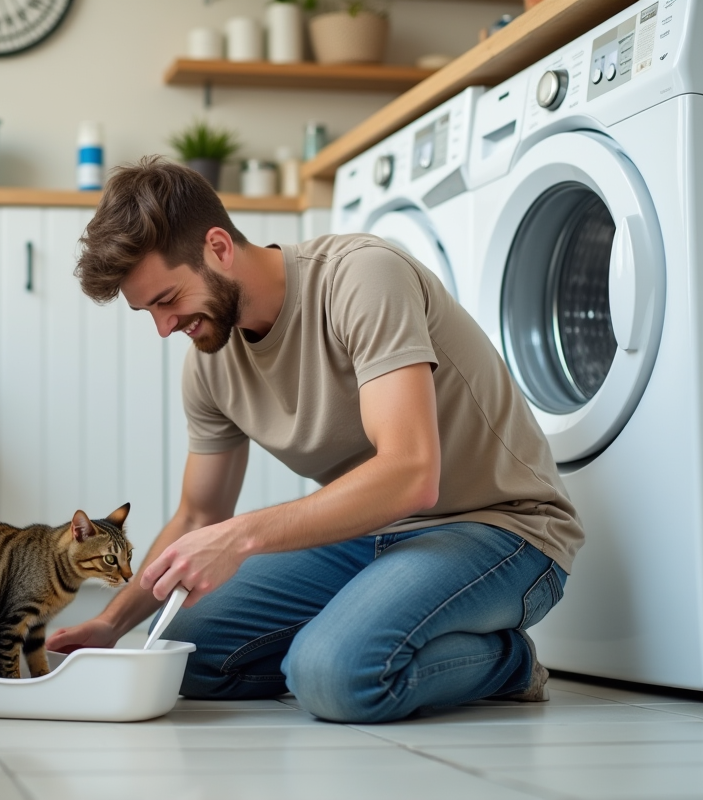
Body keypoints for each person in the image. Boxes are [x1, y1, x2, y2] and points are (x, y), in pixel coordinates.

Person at [45, 156, 583, 723]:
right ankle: (358, 638)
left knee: (333, 676)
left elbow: (411, 474)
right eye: (146, 311)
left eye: (167, 299)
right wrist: (111, 623)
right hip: (368, 537)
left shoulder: (361, 278)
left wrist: (242, 538)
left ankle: (508, 663)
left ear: (218, 248)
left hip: (502, 531)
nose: (163, 327)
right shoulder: (209, 364)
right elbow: (199, 513)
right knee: (183, 653)